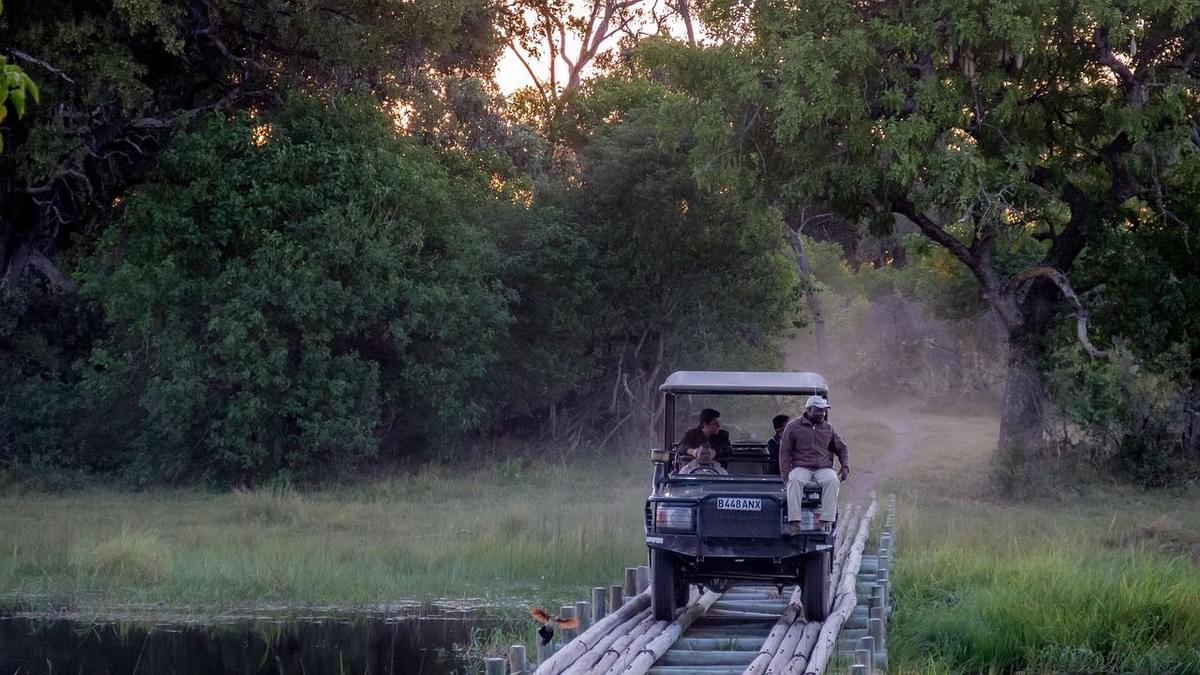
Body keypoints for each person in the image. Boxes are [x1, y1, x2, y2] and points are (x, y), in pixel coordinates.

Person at [779, 395, 849, 535]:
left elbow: (841, 448)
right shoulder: (793, 427)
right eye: (818, 410)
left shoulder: (828, 428)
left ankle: (825, 521)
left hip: (823, 467)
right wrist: (785, 476)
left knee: (832, 480)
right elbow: (784, 452)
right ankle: (794, 523)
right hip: (801, 466)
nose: (822, 413)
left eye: (824, 410)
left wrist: (845, 466)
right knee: (794, 480)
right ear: (809, 410)